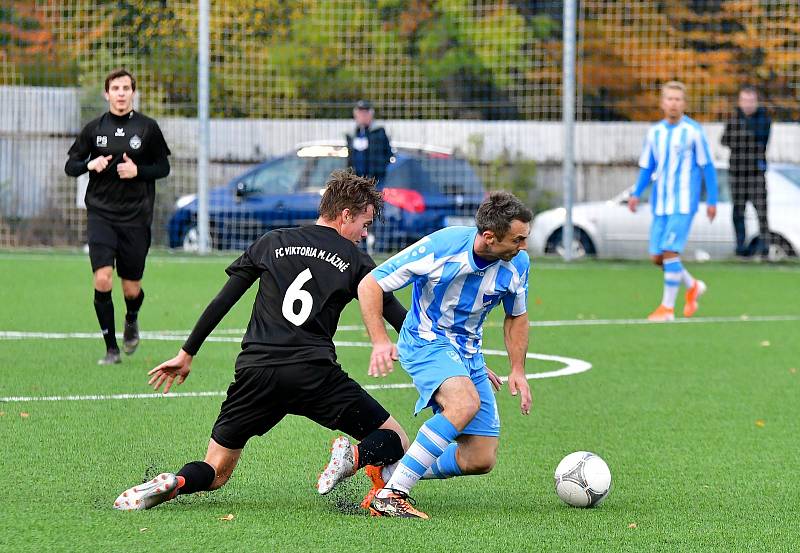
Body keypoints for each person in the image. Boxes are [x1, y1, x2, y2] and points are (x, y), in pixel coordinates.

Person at [112, 170, 410, 510]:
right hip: (312, 374)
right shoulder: (354, 259)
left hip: (256, 371)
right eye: (365, 224)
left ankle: (176, 481)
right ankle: (352, 456)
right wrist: (446, 360)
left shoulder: (272, 241)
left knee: (216, 470)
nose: (364, 234)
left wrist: (186, 353)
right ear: (345, 216)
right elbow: (398, 316)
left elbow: (222, 301)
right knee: (395, 438)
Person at [355, 191, 533, 519]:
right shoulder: (442, 247)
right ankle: (392, 495)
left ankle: (392, 473)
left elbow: (516, 316)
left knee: (479, 458)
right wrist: (380, 340)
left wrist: (517, 369)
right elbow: (371, 284)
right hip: (425, 341)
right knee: (464, 403)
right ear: (490, 237)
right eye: (518, 239)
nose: (523, 247)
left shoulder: (517, 264)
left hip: (467, 353)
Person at [65, 68, 171, 365]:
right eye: (116, 88)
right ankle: (111, 349)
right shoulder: (94, 129)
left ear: (133, 93)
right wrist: (90, 164)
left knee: (131, 288)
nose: (121, 93)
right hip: (101, 214)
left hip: (136, 218)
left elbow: (163, 168)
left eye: (126, 88)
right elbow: (71, 166)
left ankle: (132, 317)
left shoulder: (147, 128)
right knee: (102, 279)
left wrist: (138, 171)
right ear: (106, 93)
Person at [629, 81, 718, 322]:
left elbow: (708, 167)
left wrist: (712, 199)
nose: (673, 103)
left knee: (670, 251)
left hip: (683, 203)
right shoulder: (654, 133)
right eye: (669, 99)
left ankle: (667, 309)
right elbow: (648, 167)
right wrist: (636, 193)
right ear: (662, 103)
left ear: (684, 104)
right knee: (658, 257)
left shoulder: (693, 132)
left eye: (678, 99)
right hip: (661, 204)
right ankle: (693, 286)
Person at [721, 86, 771, 258]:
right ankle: (740, 248)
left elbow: (760, 141)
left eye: (751, 101)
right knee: (738, 211)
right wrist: (744, 136)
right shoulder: (734, 118)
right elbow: (725, 140)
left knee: (762, 212)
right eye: (745, 100)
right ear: (740, 102)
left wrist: (742, 135)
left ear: (756, 102)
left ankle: (764, 248)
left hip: (756, 174)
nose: (748, 104)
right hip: (737, 173)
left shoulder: (763, 119)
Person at [346, 100, 392, 182]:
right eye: (360, 113)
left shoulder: (379, 132)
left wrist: (380, 171)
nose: (363, 116)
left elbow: (388, 154)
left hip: (375, 180)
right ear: (355, 115)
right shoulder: (352, 134)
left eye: (366, 113)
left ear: (371, 115)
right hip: (356, 181)